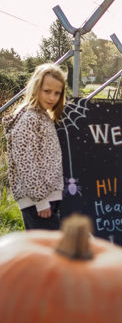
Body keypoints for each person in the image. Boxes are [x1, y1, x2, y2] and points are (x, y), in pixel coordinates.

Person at [3, 63, 67, 230]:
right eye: (47, 91)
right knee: (50, 250)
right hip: (37, 202)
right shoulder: (29, 118)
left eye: (57, 93)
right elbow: (25, 162)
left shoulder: (43, 116)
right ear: (35, 87)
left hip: (46, 198)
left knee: (49, 250)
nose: (52, 97)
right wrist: (40, 200)